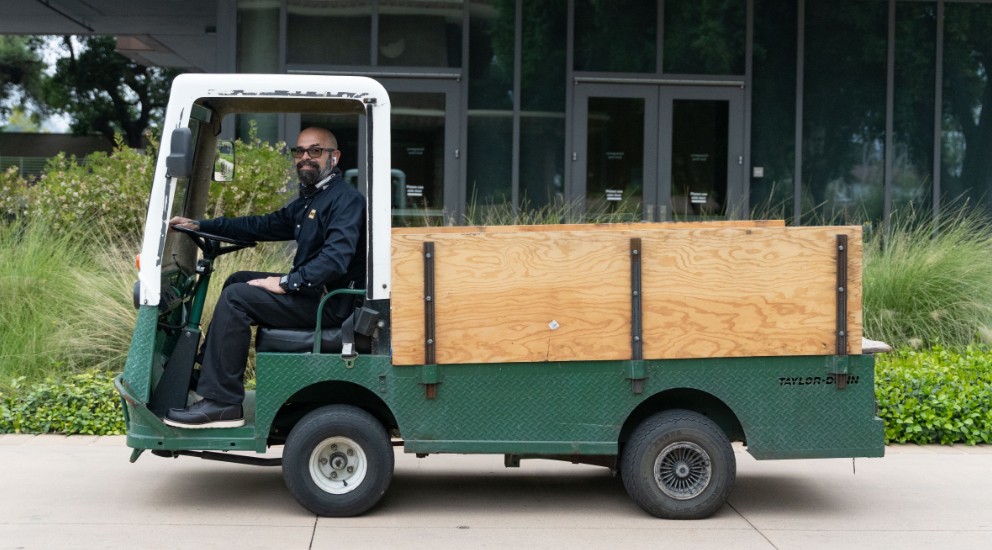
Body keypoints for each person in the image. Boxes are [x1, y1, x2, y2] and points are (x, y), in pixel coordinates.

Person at [163, 127, 366, 428]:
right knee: (237, 280)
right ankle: (208, 376)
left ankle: (224, 404)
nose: (305, 158)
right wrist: (202, 225)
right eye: (299, 152)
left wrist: (287, 283)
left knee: (237, 298)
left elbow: (335, 260)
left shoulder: (345, 200)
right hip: (317, 293)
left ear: (333, 157)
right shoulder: (313, 199)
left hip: (332, 305)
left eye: (315, 151)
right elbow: (264, 224)